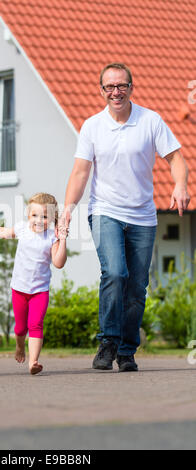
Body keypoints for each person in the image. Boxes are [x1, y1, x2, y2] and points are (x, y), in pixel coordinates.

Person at [61, 62, 190, 372]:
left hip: (143, 216)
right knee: (115, 272)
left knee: (137, 286)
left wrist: (181, 185)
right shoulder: (93, 126)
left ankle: (127, 351)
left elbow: (176, 159)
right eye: (109, 87)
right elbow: (81, 172)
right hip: (105, 210)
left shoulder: (151, 121)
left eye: (121, 86)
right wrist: (67, 208)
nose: (115, 91)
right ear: (102, 90)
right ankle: (108, 341)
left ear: (132, 87)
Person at [0, 193, 67, 375]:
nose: (39, 220)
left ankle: (33, 362)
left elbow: (58, 262)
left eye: (45, 217)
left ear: (53, 218)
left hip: (40, 291)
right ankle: (19, 346)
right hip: (19, 289)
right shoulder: (22, 229)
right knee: (20, 328)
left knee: (36, 324)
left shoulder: (51, 237)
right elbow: (4, 233)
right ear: (28, 215)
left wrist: (62, 239)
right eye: (35, 215)